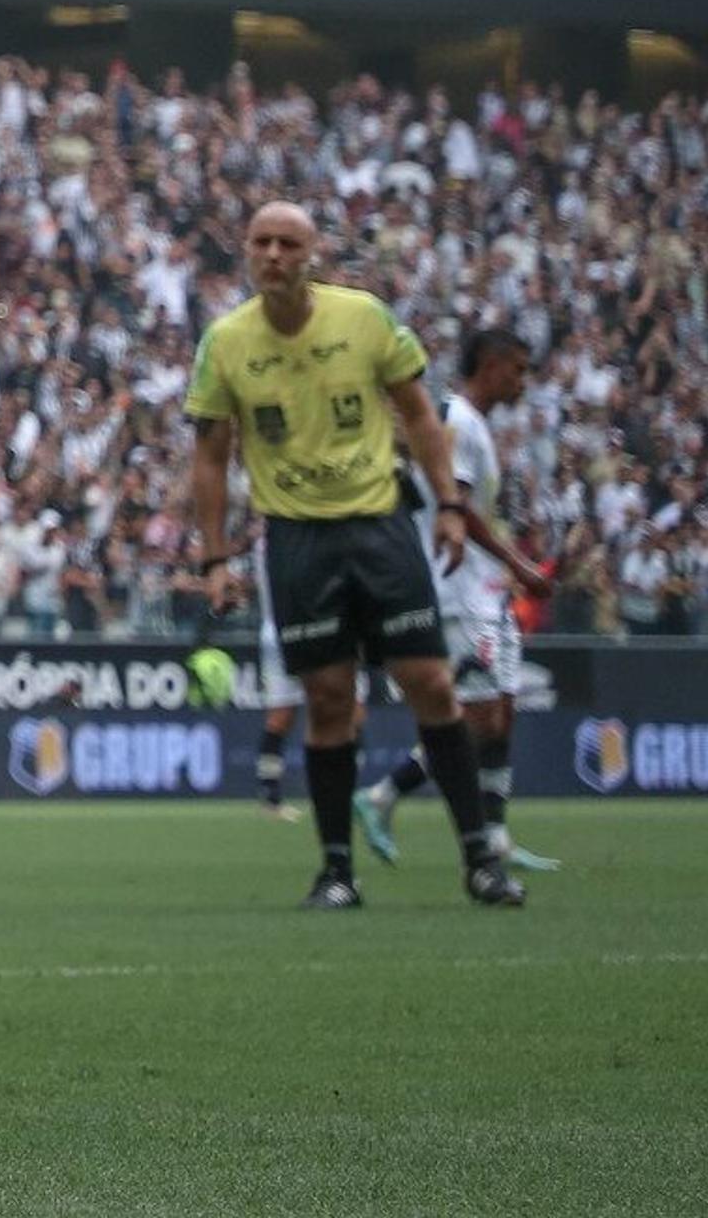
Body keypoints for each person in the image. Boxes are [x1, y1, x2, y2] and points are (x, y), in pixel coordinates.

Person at [184, 207, 522, 910]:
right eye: (261, 243)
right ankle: (337, 870)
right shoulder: (224, 343)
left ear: (314, 255)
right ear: (245, 252)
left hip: (380, 527)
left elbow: (422, 416)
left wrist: (452, 507)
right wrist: (215, 558)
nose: (273, 255)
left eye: (288, 244)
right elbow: (211, 457)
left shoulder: (365, 318)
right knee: (328, 700)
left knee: (431, 682)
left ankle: (480, 860)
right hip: (297, 538)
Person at [359, 330, 561, 876]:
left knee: (500, 718)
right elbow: (459, 508)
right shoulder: (458, 420)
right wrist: (519, 564)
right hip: (456, 591)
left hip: (485, 591)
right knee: (474, 717)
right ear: (491, 366)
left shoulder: (471, 422)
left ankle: (495, 836)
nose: (522, 381)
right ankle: (382, 795)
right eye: (517, 369)